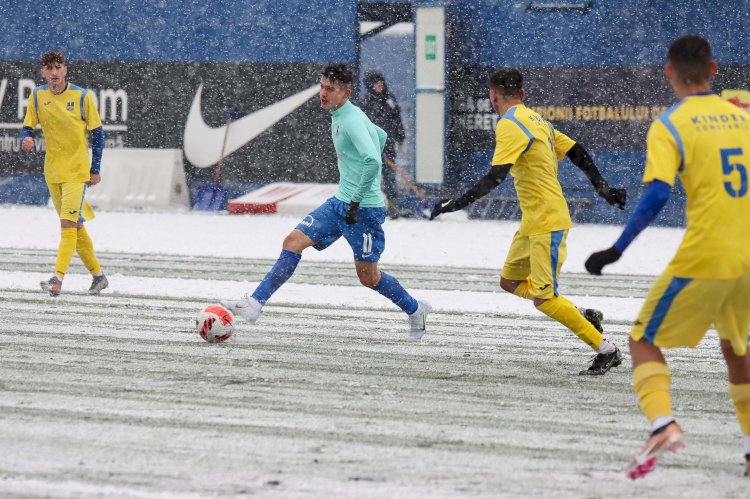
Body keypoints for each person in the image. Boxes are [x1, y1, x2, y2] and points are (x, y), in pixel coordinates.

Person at [585, 34, 750, 479]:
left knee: (642, 340)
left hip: (708, 254)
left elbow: (659, 192)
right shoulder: (743, 119)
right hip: (748, 258)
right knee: (737, 350)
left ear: (668, 72)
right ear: (714, 71)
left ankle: (662, 425)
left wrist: (616, 249)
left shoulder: (671, 124)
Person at [430, 67, 627, 374]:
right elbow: (578, 152)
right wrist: (602, 188)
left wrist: (454, 204)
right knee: (508, 282)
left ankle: (607, 349)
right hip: (533, 221)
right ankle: (581, 313)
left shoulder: (509, 124)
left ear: (493, 96)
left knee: (545, 300)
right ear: (522, 95)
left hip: (547, 221)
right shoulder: (538, 120)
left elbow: (496, 176)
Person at [222, 64, 430, 339]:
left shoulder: (352, 120)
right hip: (340, 203)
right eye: (321, 86)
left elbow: (372, 159)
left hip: (363, 211)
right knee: (293, 242)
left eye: (329, 89)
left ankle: (415, 310)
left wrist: (357, 199)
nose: (323, 93)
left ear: (345, 92)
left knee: (369, 278)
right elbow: (380, 136)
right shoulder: (343, 114)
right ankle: (255, 304)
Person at [20, 50, 108, 296]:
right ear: (43, 72)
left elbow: (98, 133)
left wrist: (95, 169)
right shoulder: (37, 96)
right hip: (53, 172)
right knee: (76, 227)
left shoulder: (81, 96)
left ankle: (57, 279)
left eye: (58, 67)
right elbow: (27, 127)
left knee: (67, 225)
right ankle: (99, 277)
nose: (54, 73)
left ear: (65, 70)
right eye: (49, 69)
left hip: (76, 172)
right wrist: (26, 138)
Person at [360, 70, 407, 218]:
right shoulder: (366, 103)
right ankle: (366, 209)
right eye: (376, 83)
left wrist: (400, 138)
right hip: (371, 147)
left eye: (381, 82)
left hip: (388, 145)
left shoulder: (389, 100)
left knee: (389, 177)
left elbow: (397, 119)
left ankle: (393, 209)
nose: (380, 85)